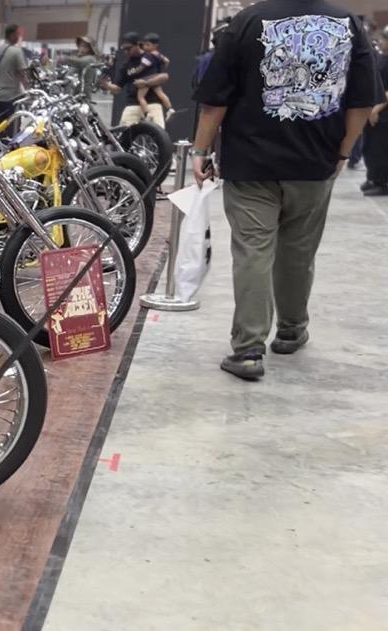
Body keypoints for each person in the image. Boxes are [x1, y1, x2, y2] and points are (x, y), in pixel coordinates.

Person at [191, 0, 379, 380]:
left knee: (252, 252)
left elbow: (215, 99)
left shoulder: (247, 20)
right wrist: (343, 151)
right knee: (298, 252)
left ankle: (248, 350)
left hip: (251, 163)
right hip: (314, 162)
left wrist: (200, 149)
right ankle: (291, 330)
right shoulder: (347, 22)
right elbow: (362, 100)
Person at [103, 32, 168, 128]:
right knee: (125, 133)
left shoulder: (152, 57)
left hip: (152, 102)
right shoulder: (126, 65)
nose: (126, 52)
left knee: (158, 134)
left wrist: (146, 83)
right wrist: (105, 84)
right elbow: (117, 88)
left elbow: (164, 77)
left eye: (129, 48)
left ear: (137, 44)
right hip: (133, 103)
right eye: (124, 49)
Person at [362, 29, 388, 196]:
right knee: (369, 147)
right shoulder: (381, 58)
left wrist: (376, 109)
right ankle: (372, 177)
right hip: (372, 109)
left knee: (380, 149)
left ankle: (382, 182)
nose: (382, 41)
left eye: (385, 39)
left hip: (383, 112)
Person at [136, 33, 174, 121]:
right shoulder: (158, 54)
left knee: (140, 97)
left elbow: (143, 66)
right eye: (144, 45)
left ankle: (147, 114)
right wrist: (162, 68)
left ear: (155, 45)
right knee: (160, 93)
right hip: (156, 77)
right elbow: (167, 61)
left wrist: (135, 71)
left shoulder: (148, 55)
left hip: (147, 78)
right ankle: (170, 109)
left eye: (147, 45)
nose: (145, 47)